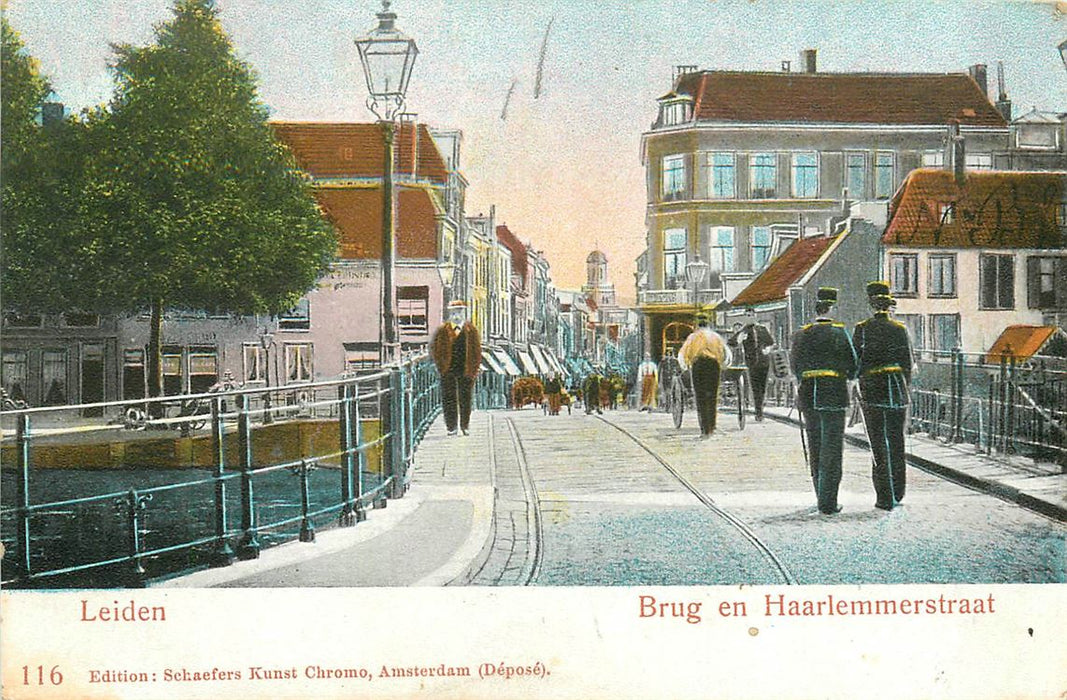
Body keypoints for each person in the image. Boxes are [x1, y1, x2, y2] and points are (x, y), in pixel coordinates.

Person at [790, 287, 858, 515]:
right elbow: (853, 365)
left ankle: (820, 495)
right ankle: (828, 503)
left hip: (809, 395)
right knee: (832, 449)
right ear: (832, 309)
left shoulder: (802, 334)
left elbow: (795, 366)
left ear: (816, 310)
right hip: (834, 395)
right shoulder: (840, 332)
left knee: (815, 446)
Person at [853, 281, 914, 511]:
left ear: (870, 304)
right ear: (888, 305)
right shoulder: (900, 329)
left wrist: (859, 383)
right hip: (897, 390)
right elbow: (908, 364)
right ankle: (898, 492)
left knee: (878, 444)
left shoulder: (862, 328)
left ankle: (884, 497)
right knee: (897, 441)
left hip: (873, 390)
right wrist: (903, 387)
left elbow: (856, 362)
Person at [431, 300, 482, 436]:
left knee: (466, 398)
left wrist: (474, 369)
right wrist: (441, 366)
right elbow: (436, 350)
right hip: (448, 369)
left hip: (466, 369)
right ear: (450, 314)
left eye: (459, 312)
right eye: (454, 313)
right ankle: (451, 427)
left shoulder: (471, 331)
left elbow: (477, 352)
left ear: (464, 313)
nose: (457, 315)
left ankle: (465, 426)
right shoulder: (442, 331)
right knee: (449, 398)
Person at [677, 311, 732, 438]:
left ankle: (704, 430)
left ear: (697, 324)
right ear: (708, 324)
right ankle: (711, 428)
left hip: (699, 365)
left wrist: (685, 367)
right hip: (713, 366)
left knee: (700, 397)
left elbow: (681, 355)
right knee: (712, 397)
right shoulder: (716, 337)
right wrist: (723, 365)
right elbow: (727, 354)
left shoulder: (692, 337)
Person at [733, 318, 776, 421]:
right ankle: (759, 412)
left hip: (764, 362)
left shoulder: (762, 329)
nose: (750, 318)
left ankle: (759, 409)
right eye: (747, 315)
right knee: (755, 388)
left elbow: (771, 343)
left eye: (751, 315)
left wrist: (767, 349)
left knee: (763, 387)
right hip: (751, 363)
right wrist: (739, 339)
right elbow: (732, 342)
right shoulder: (743, 330)